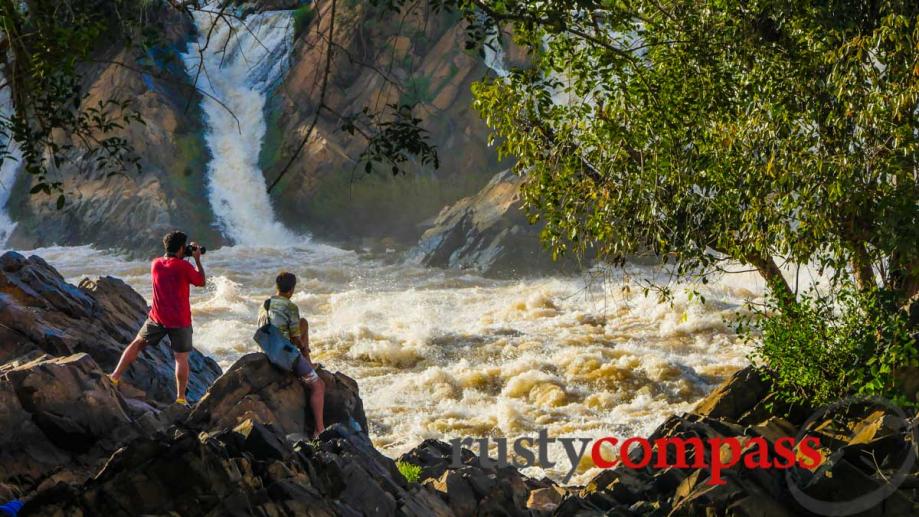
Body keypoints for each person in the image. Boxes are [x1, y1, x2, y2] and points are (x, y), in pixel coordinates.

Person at [109, 231, 206, 406]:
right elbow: (201, 281)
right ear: (182, 248)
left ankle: (114, 377)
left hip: (157, 317)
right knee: (180, 358)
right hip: (180, 320)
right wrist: (197, 259)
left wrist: (182, 253)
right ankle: (181, 399)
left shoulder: (156, 264)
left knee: (137, 344)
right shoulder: (184, 267)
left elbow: (169, 260)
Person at [257, 271, 325, 437]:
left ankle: (307, 362)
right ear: (292, 290)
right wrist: (304, 349)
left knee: (304, 323)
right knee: (318, 386)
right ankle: (319, 429)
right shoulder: (290, 307)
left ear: (277, 287)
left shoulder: (265, 304)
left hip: (265, 351)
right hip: (283, 356)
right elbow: (295, 338)